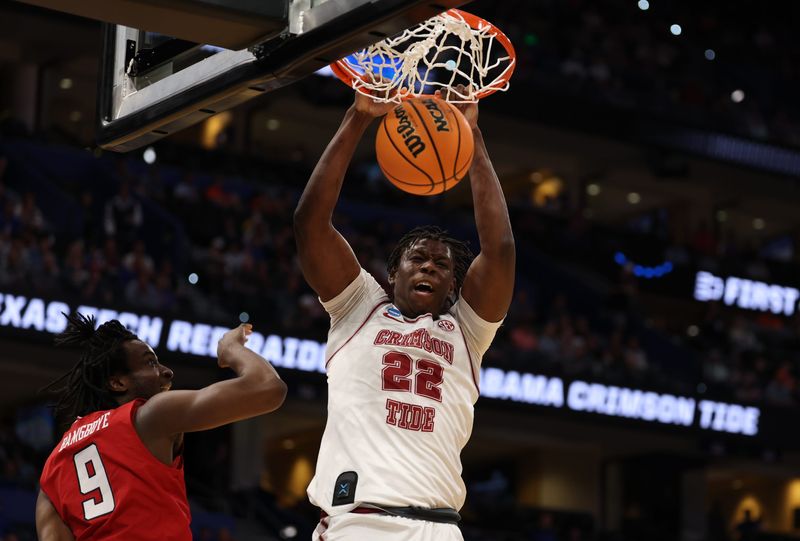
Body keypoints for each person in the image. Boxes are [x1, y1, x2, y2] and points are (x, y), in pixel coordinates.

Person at [294, 86, 515, 540]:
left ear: (454, 285)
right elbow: (310, 223)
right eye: (418, 259)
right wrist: (358, 117)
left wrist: (471, 138)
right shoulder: (359, 308)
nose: (429, 266)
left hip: (439, 528)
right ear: (392, 273)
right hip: (360, 523)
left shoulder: (466, 333)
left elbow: (501, 250)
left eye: (441, 265)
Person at [35, 313, 287, 541]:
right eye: (150, 363)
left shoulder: (53, 468)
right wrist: (231, 348)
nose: (167, 372)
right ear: (118, 383)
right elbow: (268, 388)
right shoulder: (148, 416)